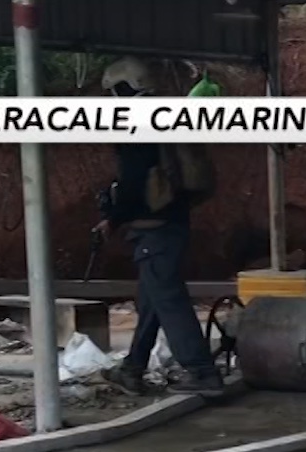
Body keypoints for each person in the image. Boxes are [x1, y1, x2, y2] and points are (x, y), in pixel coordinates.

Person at [96, 58, 225, 398]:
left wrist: (115, 216)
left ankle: (202, 372)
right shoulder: (166, 113)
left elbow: (134, 180)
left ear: (123, 87)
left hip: (154, 228)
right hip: (174, 220)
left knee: (168, 299)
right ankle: (132, 368)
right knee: (153, 298)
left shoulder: (134, 123)